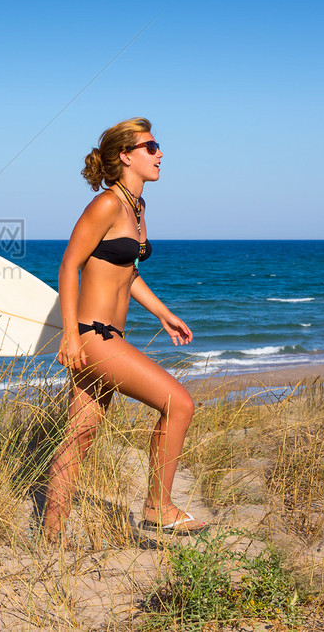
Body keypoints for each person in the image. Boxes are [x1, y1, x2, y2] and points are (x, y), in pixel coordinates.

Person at [43, 117, 206, 540]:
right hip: (93, 335)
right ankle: (158, 506)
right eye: (150, 147)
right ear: (125, 156)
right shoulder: (107, 205)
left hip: (110, 335)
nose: (160, 154)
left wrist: (162, 312)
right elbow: (69, 265)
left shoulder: (137, 207)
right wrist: (70, 334)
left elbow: (126, 273)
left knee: (79, 437)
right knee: (179, 404)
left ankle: (48, 538)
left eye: (157, 147)